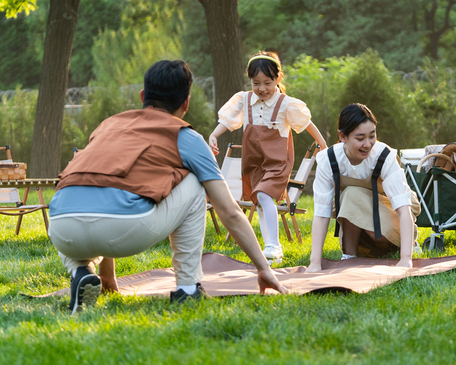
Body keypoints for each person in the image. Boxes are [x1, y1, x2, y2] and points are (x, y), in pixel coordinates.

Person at [49, 60, 287, 314]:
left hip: (61, 227)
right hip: (124, 228)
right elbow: (229, 211)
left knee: (105, 185)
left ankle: (81, 271)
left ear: (143, 96)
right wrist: (263, 268)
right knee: (196, 182)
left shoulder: (107, 126)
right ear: (186, 102)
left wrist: (108, 278)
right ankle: (187, 288)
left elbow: (105, 182)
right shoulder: (185, 136)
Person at [208, 51, 327, 264]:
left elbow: (306, 123)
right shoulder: (243, 100)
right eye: (256, 83)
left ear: (278, 79)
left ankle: (274, 245)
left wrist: (322, 143)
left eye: (267, 82)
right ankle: (272, 248)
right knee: (261, 201)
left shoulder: (286, 104)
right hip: (253, 160)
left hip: (277, 162)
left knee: (263, 195)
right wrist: (214, 135)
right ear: (250, 81)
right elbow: (229, 120)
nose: (262, 88)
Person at [306, 103, 419, 273]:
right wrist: (315, 263)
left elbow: (404, 209)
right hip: (356, 221)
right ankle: (349, 257)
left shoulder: (383, 156)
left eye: (372, 136)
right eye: (360, 138)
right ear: (343, 136)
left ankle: (408, 242)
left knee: (353, 195)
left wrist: (406, 259)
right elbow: (321, 213)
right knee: (350, 194)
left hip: (390, 213)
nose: (368, 144)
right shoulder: (328, 160)